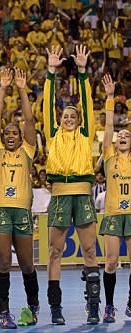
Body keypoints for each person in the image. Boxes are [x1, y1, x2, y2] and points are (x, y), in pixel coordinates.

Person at [44, 45, 100, 325]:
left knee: (90, 251)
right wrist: (51, 72)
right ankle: (55, 308)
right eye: (64, 115)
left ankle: (93, 307)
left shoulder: (85, 134)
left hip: (82, 195)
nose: (68, 118)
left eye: (73, 116)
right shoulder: (52, 135)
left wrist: (81, 71)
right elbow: (46, 106)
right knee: (55, 252)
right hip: (59, 196)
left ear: (78, 121)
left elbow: (88, 104)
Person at [0, 68, 39, 328]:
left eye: (13, 133)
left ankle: (33, 307)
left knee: (28, 264)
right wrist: (3, 88)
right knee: (4, 262)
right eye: (6, 133)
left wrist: (21, 88)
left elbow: (29, 121)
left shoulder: (27, 152)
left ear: (20, 138)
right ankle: (3, 311)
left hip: (22, 211)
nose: (9, 135)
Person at [98, 74, 131, 322]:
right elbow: (109, 128)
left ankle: (130, 301)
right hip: (112, 214)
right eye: (121, 135)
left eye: (127, 135)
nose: (122, 136)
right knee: (110, 263)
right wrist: (110, 98)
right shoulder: (109, 157)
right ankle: (109, 306)